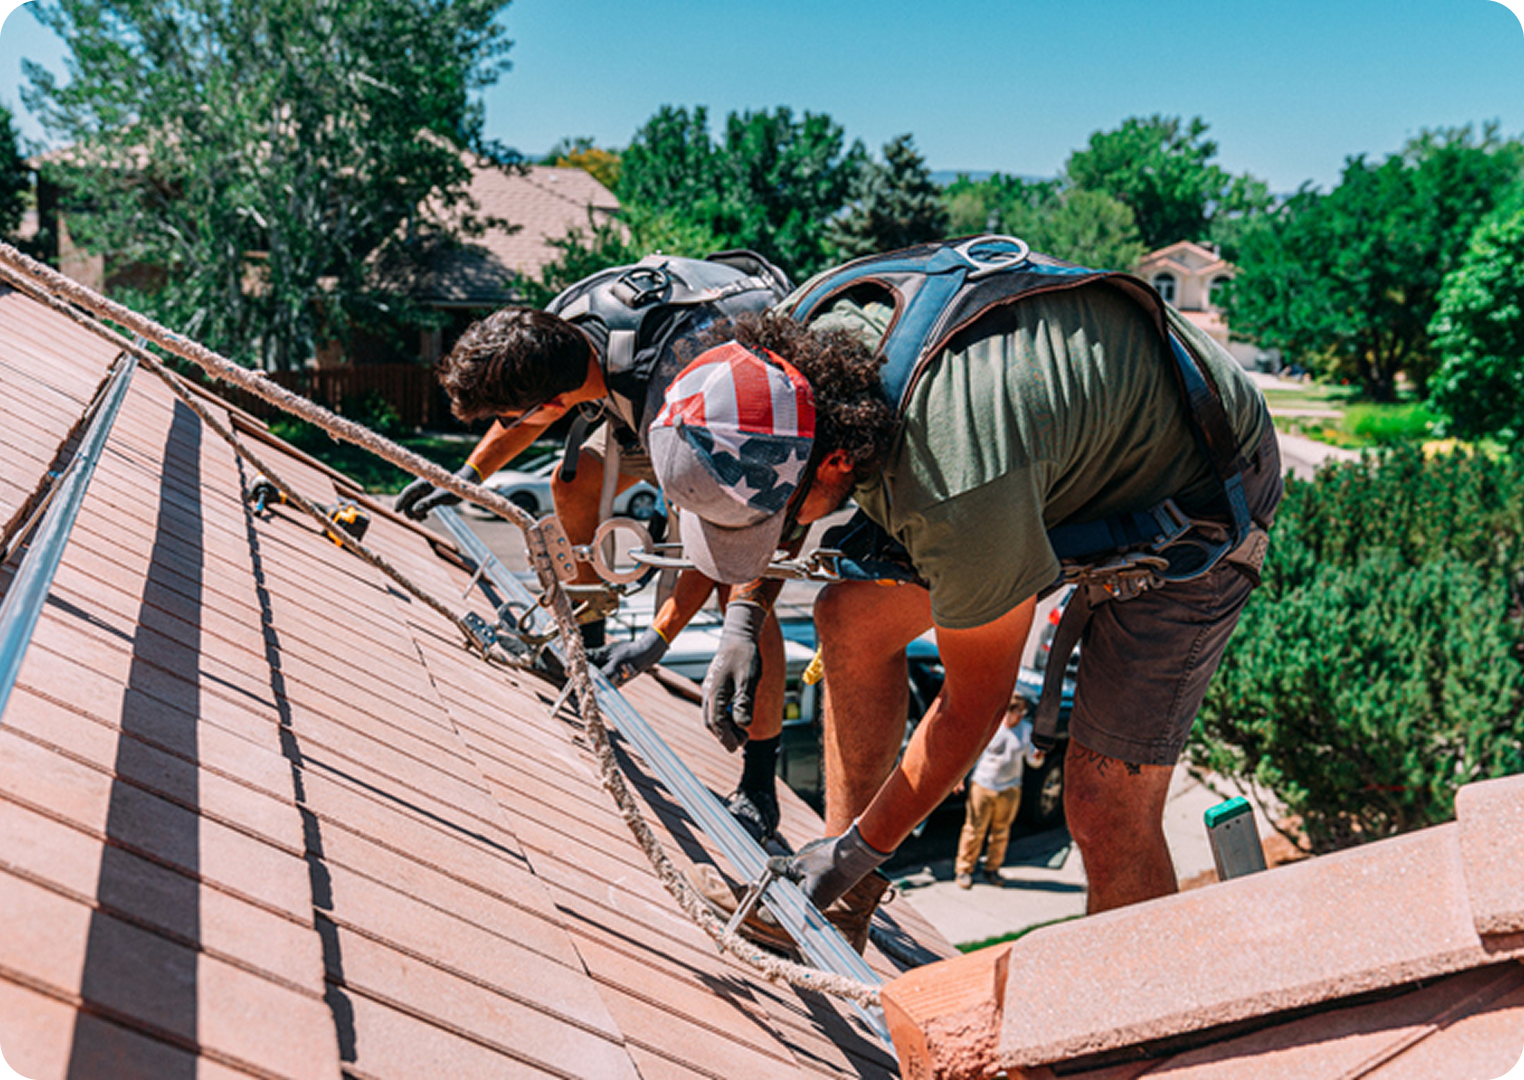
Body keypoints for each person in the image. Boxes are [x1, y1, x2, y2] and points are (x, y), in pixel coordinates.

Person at [649, 264, 1282, 940]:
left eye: (773, 523)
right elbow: (782, 493)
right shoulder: (794, 352)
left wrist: (861, 850)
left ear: (836, 460)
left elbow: (971, 705)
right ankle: (838, 901)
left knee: (1106, 806)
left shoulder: (954, 489)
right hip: (1056, 445)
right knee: (849, 617)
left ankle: (1140, 1027)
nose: (771, 541)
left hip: (1201, 491)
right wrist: (745, 615)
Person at [395, 252, 795, 844]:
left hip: (743, 415)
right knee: (574, 479)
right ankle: (588, 629)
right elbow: (524, 419)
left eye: (512, 414)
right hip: (650, 396)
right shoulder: (556, 331)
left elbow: (721, 541)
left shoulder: (672, 386)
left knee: (740, 599)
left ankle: (759, 784)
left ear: (553, 402)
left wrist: (657, 641)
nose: (513, 422)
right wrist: (463, 475)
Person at [954, 700, 1044, 889]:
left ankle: (992, 868)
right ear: (1008, 711)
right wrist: (960, 776)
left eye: (1023, 712)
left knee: (1001, 831)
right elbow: (973, 753)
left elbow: (1032, 761)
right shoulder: (992, 726)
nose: (1020, 716)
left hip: (1010, 788)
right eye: (1017, 712)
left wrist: (1037, 757)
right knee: (974, 829)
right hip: (984, 784)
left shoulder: (1026, 730)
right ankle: (964, 869)